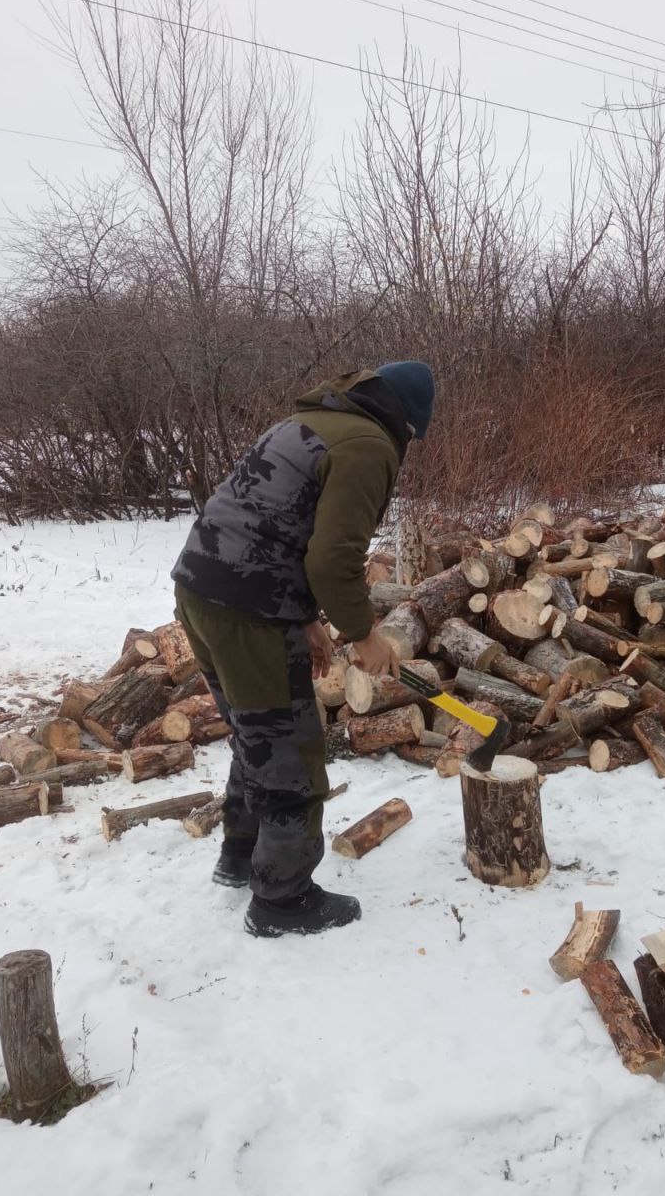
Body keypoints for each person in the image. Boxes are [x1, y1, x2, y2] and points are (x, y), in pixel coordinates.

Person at [172, 362, 435, 938]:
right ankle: (283, 899)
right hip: (249, 610)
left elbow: (279, 527)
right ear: (406, 424)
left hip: (200, 589)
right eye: (414, 436)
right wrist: (365, 634)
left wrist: (309, 618)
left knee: (254, 733)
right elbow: (331, 558)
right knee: (289, 748)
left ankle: (240, 855)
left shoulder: (308, 420)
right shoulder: (370, 446)